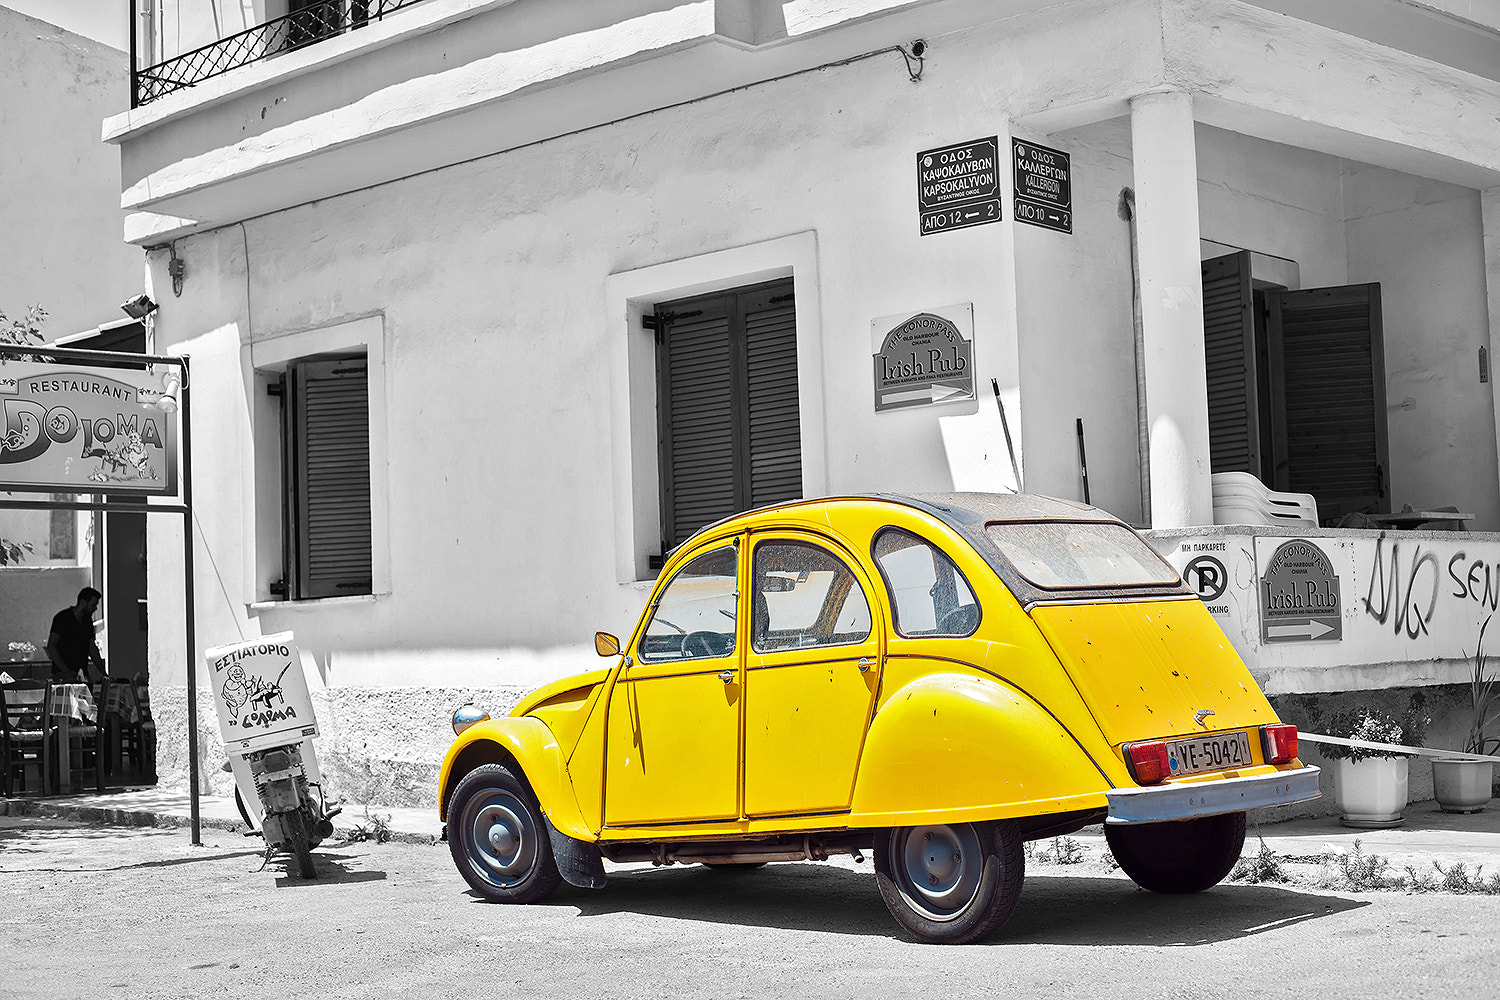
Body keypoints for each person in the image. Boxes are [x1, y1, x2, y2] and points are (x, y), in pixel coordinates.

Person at [46, 587, 107, 685]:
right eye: (93, 605)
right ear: (83, 603)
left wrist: (104, 673)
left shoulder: (87, 622)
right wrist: (66, 671)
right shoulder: (62, 618)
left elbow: (92, 648)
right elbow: (52, 646)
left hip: (81, 674)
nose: (95, 608)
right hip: (62, 676)